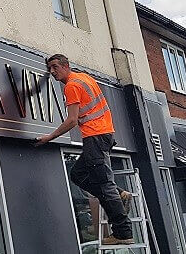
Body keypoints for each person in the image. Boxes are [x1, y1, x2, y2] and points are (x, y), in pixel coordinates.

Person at [35, 54, 134, 245]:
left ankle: (123, 233)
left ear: (66, 66)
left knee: (105, 185)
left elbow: (72, 120)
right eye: (49, 69)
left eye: (55, 67)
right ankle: (120, 193)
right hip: (104, 135)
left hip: (95, 136)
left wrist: (50, 137)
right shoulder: (84, 77)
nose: (52, 72)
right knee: (78, 174)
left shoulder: (72, 85)